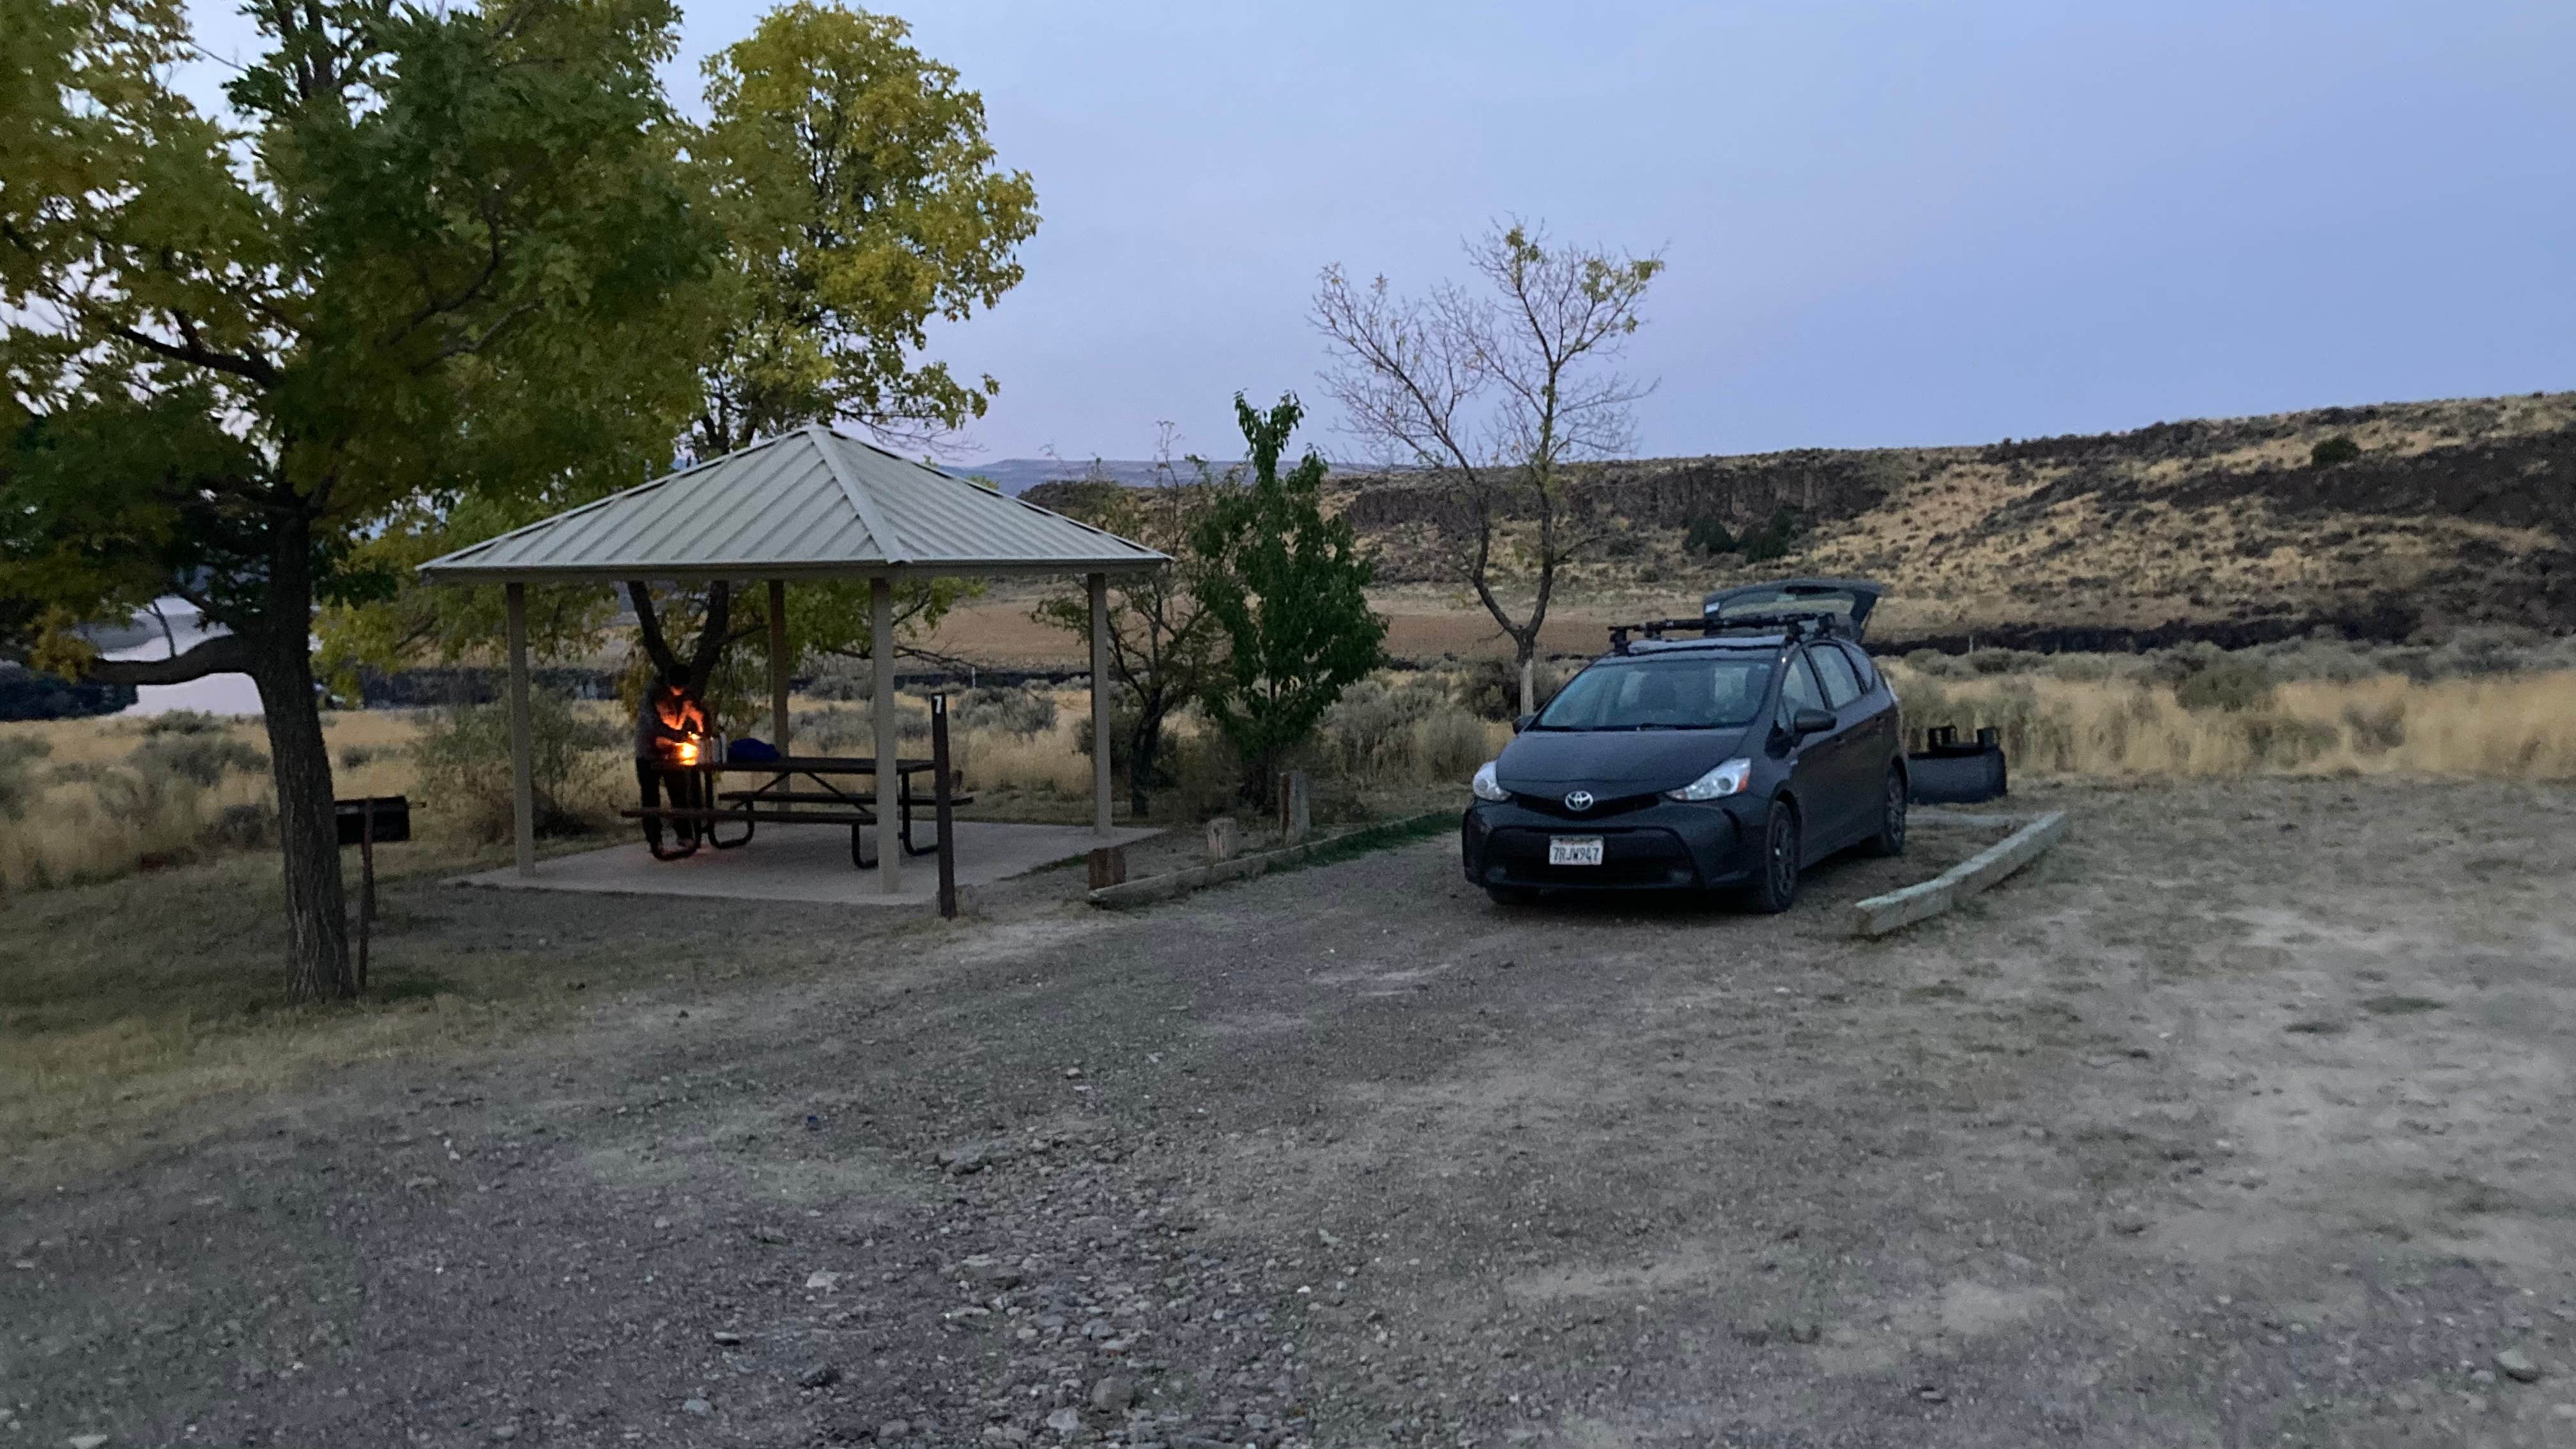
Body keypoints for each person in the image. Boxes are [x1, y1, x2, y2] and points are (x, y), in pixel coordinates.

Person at [634, 677, 707, 858]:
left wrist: (702, 729)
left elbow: (698, 713)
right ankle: (655, 840)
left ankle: (685, 835)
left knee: (679, 793)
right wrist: (678, 736)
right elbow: (654, 725)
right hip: (648, 752)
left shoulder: (685, 697)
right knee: (651, 798)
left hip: (672, 754)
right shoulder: (652, 697)